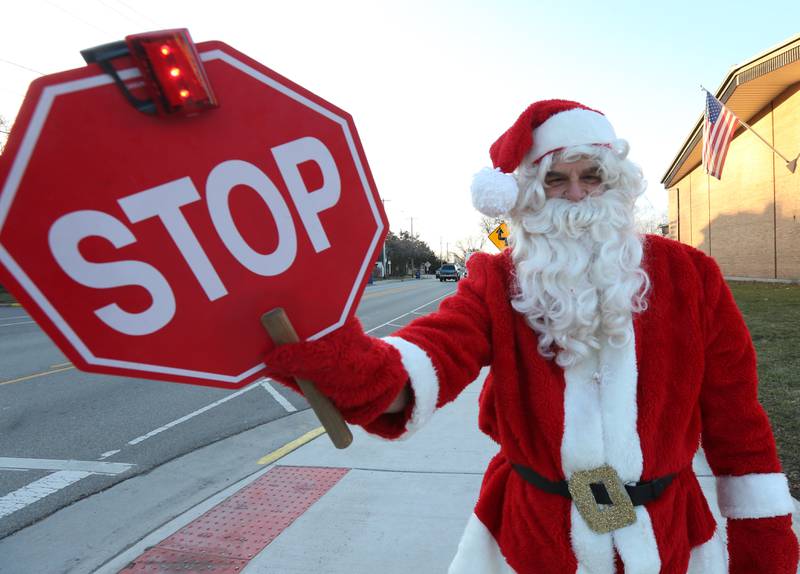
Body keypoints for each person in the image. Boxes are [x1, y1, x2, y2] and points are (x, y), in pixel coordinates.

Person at [264, 100, 799, 574]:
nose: (575, 195)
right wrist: (351, 365)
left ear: (614, 184)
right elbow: (439, 349)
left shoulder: (691, 275)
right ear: (528, 193)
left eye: (590, 176)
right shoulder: (499, 279)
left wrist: (765, 536)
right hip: (535, 539)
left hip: (668, 537)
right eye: (554, 180)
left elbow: (736, 417)